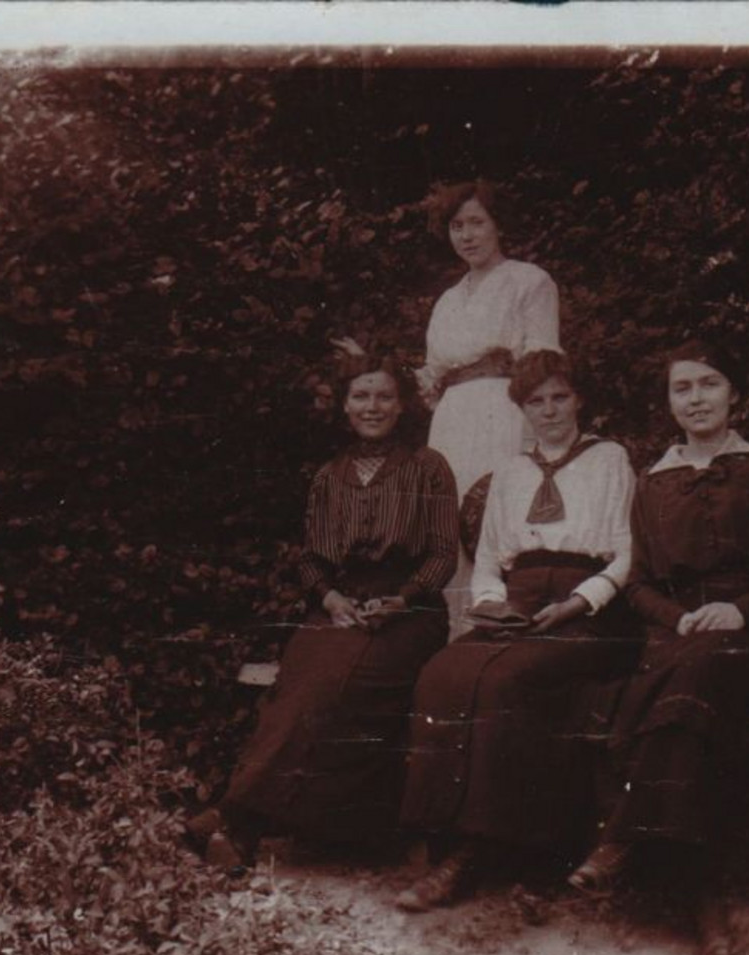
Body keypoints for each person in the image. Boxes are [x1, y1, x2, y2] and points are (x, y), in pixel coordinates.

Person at [569, 343, 749, 955]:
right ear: (669, 402)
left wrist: (743, 610)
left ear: (735, 395)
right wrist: (677, 618)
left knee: (696, 674)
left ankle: (621, 837)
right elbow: (640, 581)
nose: (697, 398)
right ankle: (704, 898)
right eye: (683, 388)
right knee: (685, 705)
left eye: (710, 384)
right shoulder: (653, 484)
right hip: (679, 634)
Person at [197, 351, 459, 874]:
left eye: (384, 395)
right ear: (344, 406)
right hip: (339, 608)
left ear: (402, 404)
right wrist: (332, 600)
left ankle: (238, 821)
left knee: (336, 685)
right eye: (361, 396)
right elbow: (312, 561)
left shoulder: (428, 467)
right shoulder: (328, 477)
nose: (372, 406)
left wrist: (403, 598)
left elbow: (443, 555)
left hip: (409, 611)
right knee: (299, 685)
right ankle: (245, 817)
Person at [395, 350, 638, 911]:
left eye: (559, 397)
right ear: (522, 410)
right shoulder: (510, 470)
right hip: (520, 599)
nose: (549, 411)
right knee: (443, 673)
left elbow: (628, 555)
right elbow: (486, 562)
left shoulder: (610, 460)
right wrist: (490, 605)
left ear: (579, 399)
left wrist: (580, 601)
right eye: (536, 401)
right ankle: (448, 849)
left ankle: (503, 850)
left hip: (590, 608)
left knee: (510, 680)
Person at [415, 181, 562, 629]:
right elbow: (434, 375)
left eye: (477, 222)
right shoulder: (447, 300)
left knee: (496, 519)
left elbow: (543, 364)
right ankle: (457, 639)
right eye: (457, 226)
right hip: (452, 422)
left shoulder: (529, 281)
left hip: (505, 412)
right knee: (449, 525)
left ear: (498, 225)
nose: (467, 235)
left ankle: (506, 634)